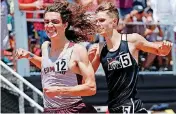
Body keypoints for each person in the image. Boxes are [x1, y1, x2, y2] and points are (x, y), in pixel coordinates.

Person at [88, 2, 173, 113]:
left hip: (132, 106)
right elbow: (88, 79)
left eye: (102, 20)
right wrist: (89, 59)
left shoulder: (132, 40)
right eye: (96, 21)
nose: (98, 24)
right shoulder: (99, 48)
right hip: (113, 107)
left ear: (114, 21)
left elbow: (158, 50)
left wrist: (165, 49)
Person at [15, 1, 97, 113]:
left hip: (73, 109)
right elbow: (49, 65)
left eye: (55, 22)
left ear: (65, 25)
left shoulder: (77, 50)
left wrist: (60, 90)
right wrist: (29, 56)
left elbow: (91, 88)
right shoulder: (45, 47)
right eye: (46, 22)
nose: (49, 25)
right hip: (49, 110)